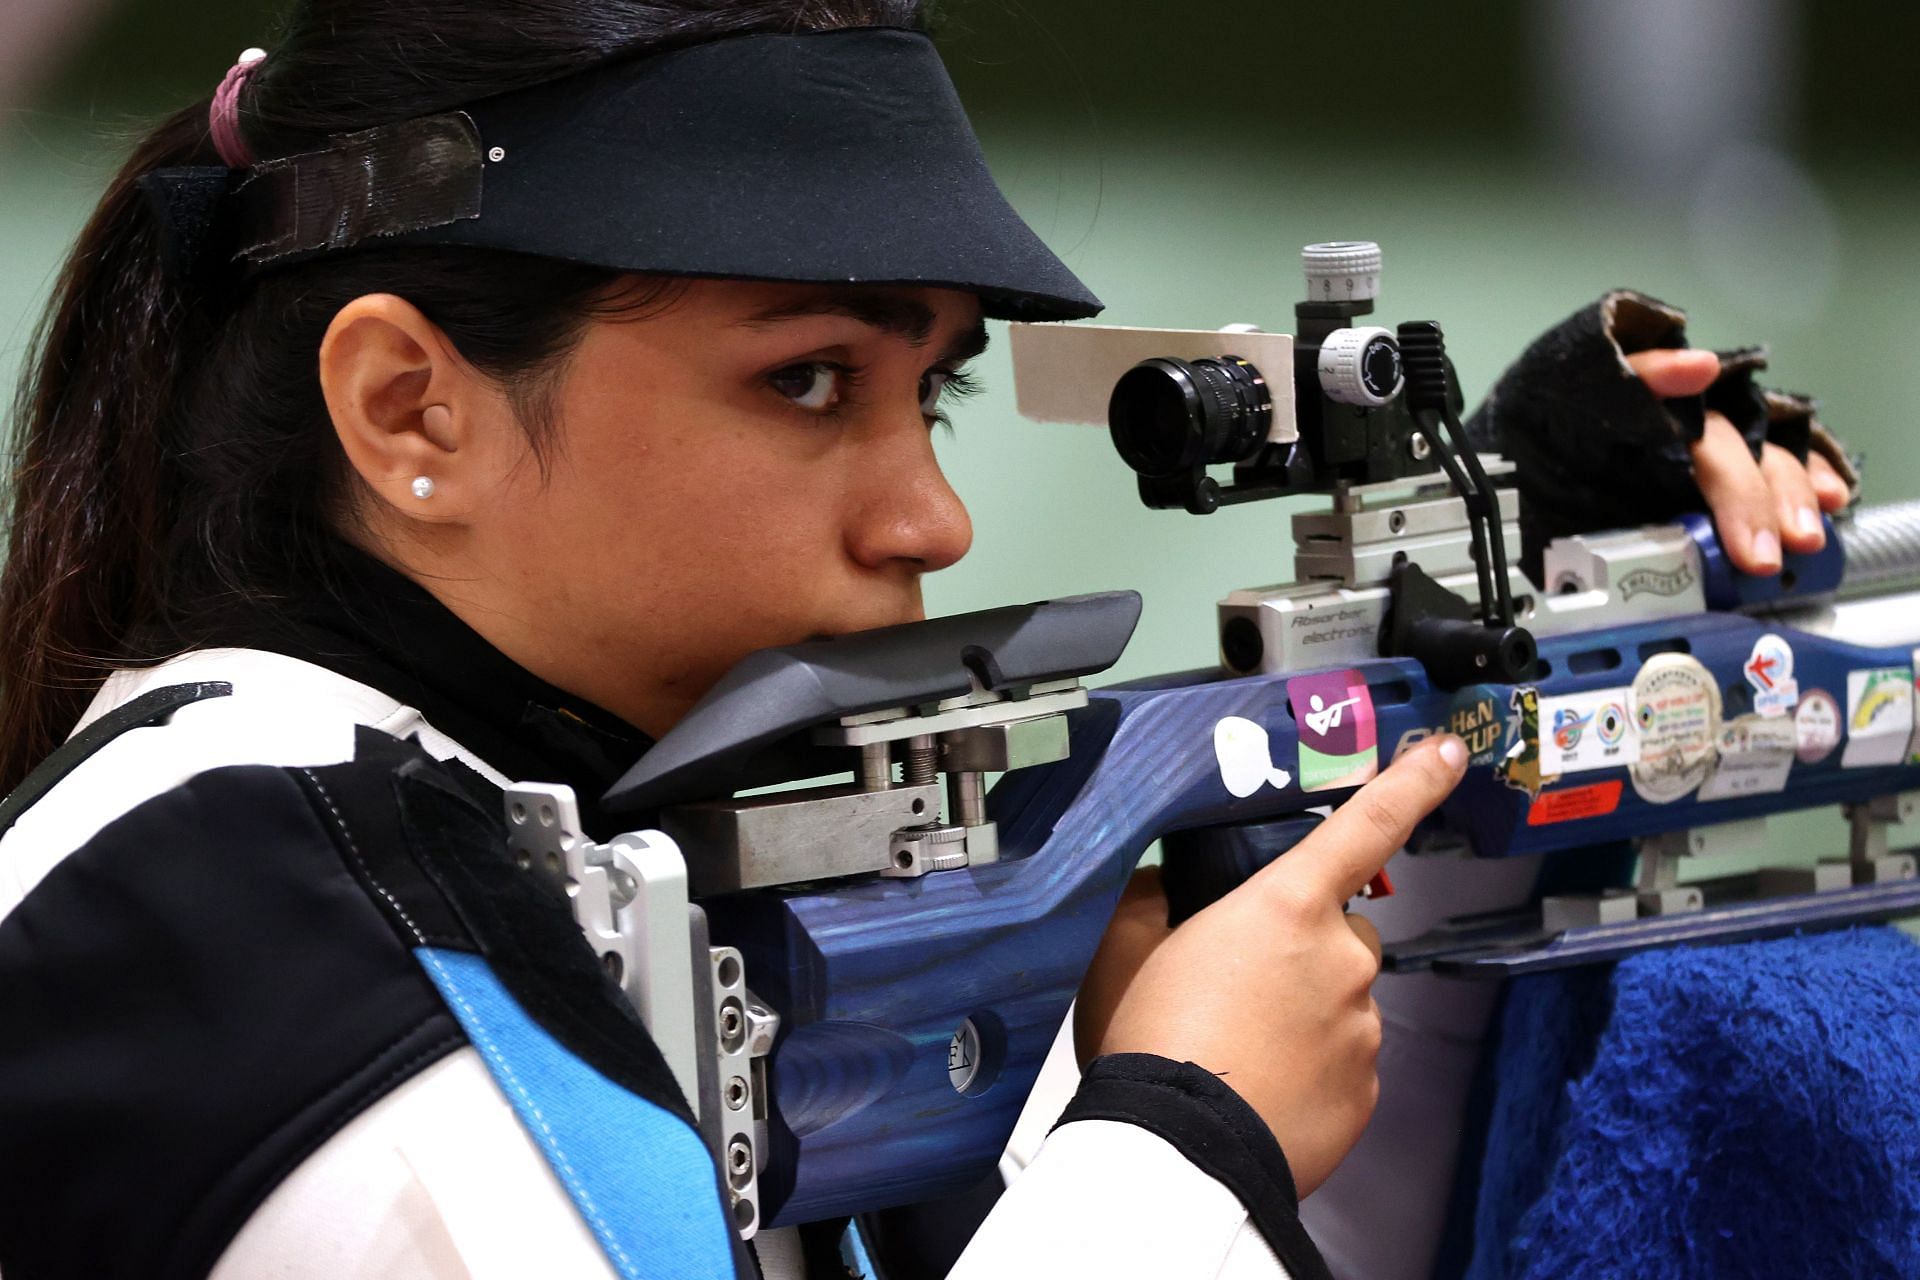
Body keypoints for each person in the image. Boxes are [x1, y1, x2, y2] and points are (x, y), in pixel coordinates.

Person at [0, 2, 1853, 1278]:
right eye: (807, 381)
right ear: (412, 409)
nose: (931, 520)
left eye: (935, 399)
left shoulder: (629, 845)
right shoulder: (237, 906)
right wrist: (1178, 1135)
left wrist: (1467, 793)